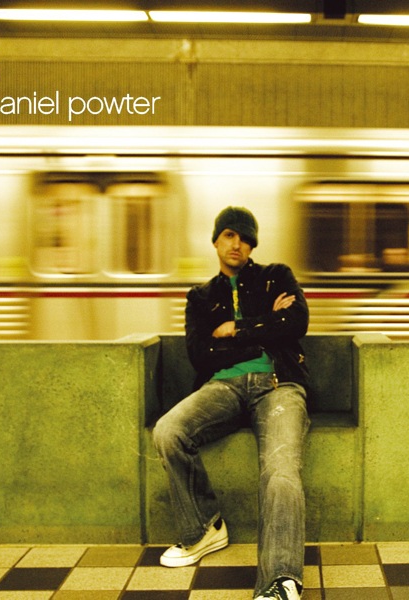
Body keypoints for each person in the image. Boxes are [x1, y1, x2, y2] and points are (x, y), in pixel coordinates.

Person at [153, 206, 310, 600]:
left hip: (278, 383)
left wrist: (235, 330)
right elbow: (201, 355)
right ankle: (204, 528)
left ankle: (280, 579)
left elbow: (296, 323)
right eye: (229, 235)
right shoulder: (201, 297)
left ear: (253, 245)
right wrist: (264, 330)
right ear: (216, 241)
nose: (237, 243)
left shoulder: (277, 276)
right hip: (223, 386)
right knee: (168, 431)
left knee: (280, 468)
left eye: (245, 237)